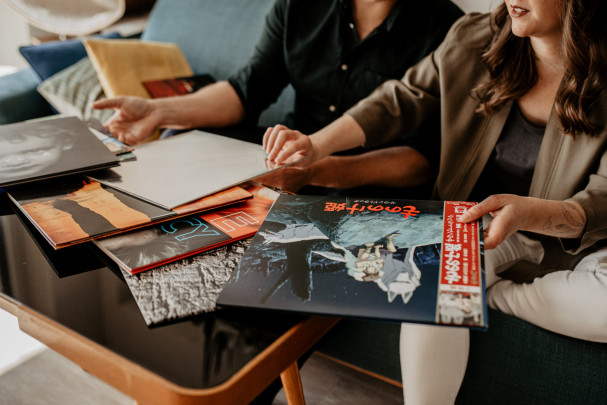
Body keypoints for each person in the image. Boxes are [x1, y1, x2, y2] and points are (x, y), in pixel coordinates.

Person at [264, 0, 607, 403]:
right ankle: (477, 289)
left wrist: (533, 213)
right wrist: (316, 145)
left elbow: (603, 196)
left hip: (571, 236)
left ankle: (494, 296)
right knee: (436, 288)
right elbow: (404, 97)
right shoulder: (475, 36)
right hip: (478, 225)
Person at [93, 0, 463, 196]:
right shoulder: (299, 6)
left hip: (367, 181)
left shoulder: (447, 27)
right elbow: (247, 89)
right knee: (181, 144)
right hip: (291, 160)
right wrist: (159, 112)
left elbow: (423, 161)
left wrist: (319, 172)